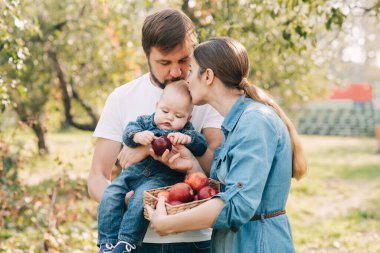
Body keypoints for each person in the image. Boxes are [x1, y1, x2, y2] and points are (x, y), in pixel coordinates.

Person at [146, 37, 308, 253]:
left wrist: (169, 224)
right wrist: (192, 165)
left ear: (208, 76)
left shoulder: (255, 122)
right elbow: (226, 190)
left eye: (191, 70)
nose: (186, 79)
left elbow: (237, 204)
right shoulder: (237, 123)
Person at [87, 8, 224, 253]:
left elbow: (217, 172)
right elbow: (97, 176)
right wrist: (126, 203)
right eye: (164, 62)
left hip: (195, 240)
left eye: (184, 60)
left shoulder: (208, 97)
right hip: (135, 243)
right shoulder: (122, 97)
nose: (175, 72)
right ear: (146, 55)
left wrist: (148, 150)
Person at [97, 81, 209, 253]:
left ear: (188, 118)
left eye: (178, 116)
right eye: (165, 111)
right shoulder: (145, 122)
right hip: (134, 172)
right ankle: (107, 242)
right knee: (111, 194)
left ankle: (127, 241)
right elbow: (128, 132)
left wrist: (188, 140)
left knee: (141, 198)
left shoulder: (185, 131)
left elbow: (201, 145)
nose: (169, 117)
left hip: (162, 177)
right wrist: (137, 136)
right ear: (157, 106)